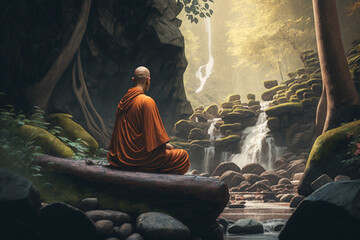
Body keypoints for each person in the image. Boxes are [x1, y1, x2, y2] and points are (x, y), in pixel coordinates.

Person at [107, 66, 190, 174]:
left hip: (119, 157)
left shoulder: (123, 101)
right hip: (140, 159)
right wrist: (163, 146)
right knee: (183, 156)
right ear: (148, 81)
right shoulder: (147, 102)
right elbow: (154, 135)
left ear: (133, 80)